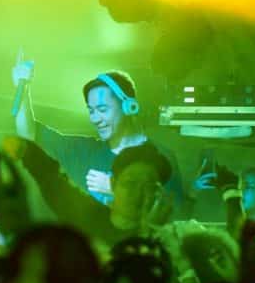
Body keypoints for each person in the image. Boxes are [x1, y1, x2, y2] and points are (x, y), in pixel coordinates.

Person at [12, 61, 183, 209]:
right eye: (91, 111)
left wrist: (116, 190)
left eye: (102, 109)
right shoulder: (82, 151)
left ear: (129, 107)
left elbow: (175, 214)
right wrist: (22, 85)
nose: (95, 119)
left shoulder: (161, 157)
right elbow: (29, 133)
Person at [6, 137, 173, 248]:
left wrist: (150, 230)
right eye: (131, 183)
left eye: (150, 186)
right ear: (113, 184)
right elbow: (52, 180)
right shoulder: (88, 216)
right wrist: (26, 150)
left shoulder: (169, 241)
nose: (139, 193)